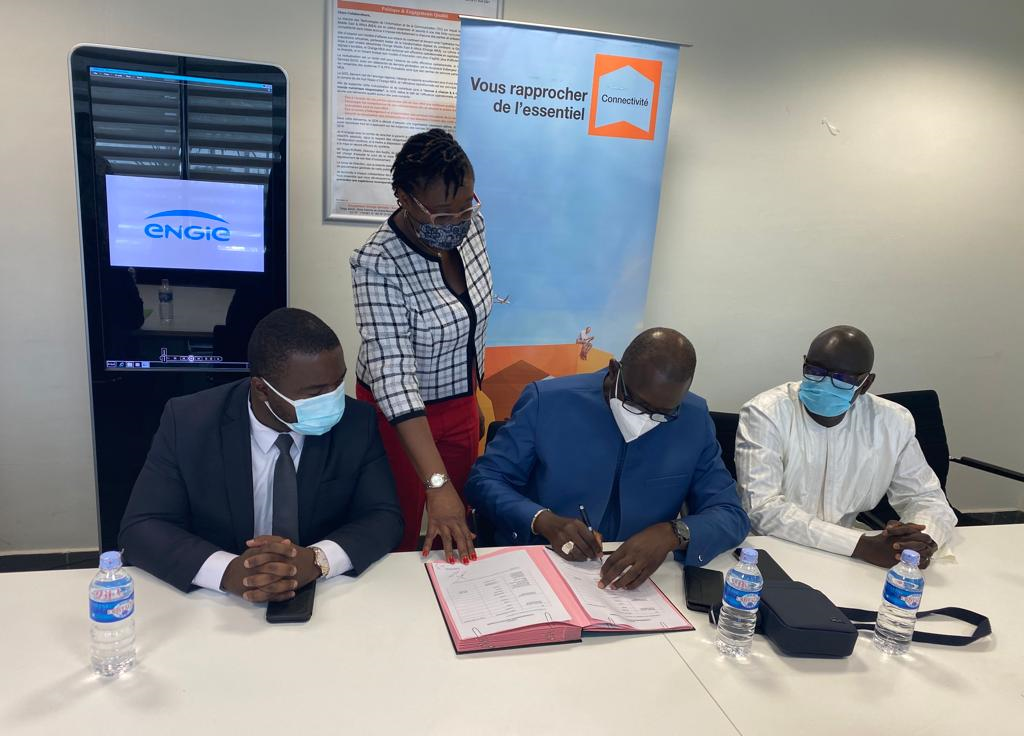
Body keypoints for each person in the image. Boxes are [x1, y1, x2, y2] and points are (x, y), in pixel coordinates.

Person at [119, 308, 403, 601]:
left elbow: (383, 516)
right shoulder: (189, 421)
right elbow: (142, 527)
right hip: (217, 603)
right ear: (262, 389)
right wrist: (227, 571)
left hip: (325, 596)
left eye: (338, 383)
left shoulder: (356, 421)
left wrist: (318, 559)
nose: (333, 399)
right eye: (315, 392)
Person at [465, 328, 749, 590]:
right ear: (615, 371)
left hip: (640, 584)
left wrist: (673, 533)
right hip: (541, 567)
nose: (645, 420)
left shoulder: (693, 419)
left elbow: (730, 513)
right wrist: (543, 520)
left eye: (662, 413)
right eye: (635, 403)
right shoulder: (548, 401)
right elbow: (484, 481)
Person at [351, 129, 492, 564]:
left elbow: (471, 316)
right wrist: (436, 483)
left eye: (466, 205)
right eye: (443, 214)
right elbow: (393, 376)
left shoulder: (471, 226)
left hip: (460, 398)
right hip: (399, 415)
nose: (458, 222)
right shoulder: (377, 262)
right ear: (404, 198)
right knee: (398, 524)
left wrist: (471, 392)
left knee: (459, 520)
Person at [735, 325, 956, 569]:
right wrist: (860, 546)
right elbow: (762, 509)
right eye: (815, 370)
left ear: (866, 383)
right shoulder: (767, 412)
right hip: (774, 549)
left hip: (849, 555)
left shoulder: (891, 422)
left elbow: (926, 497)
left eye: (842, 379)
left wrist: (919, 540)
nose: (824, 384)